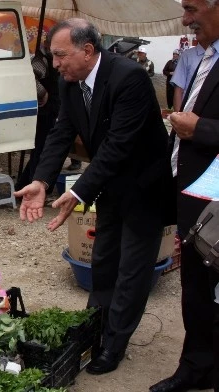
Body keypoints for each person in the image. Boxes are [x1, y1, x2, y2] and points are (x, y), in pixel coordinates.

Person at [14, 18, 169, 375]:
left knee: (132, 271)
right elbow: (61, 133)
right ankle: (92, 332)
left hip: (144, 188)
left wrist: (79, 191)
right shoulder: (70, 83)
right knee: (104, 263)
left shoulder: (129, 78)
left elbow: (117, 146)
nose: (54, 64)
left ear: (87, 51)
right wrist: (41, 180)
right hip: (111, 187)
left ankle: (113, 345)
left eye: (60, 55)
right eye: (53, 57)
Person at [149, 1, 219, 391]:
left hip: (217, 201)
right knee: (196, 287)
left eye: (192, 8)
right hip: (198, 198)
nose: (185, 19)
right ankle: (195, 367)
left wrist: (202, 128)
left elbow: (202, 127)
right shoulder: (202, 57)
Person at [15, 39, 60, 191]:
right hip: (45, 111)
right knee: (41, 150)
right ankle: (32, 185)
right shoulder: (41, 60)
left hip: (51, 110)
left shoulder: (50, 58)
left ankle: (24, 183)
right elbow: (31, 78)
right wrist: (43, 93)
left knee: (41, 150)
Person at [171, 43, 206, 111]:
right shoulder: (187, 55)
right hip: (188, 112)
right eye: (174, 54)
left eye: (176, 54)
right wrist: (179, 117)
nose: (174, 55)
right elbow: (178, 89)